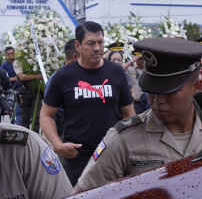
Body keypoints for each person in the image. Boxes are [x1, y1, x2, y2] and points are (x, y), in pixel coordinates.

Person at [74, 38, 202, 193]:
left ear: (196, 87)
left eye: (169, 91)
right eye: (152, 90)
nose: (158, 100)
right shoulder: (124, 139)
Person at [40, 21, 135, 187]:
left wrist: (130, 145)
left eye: (101, 42)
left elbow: (129, 114)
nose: (97, 48)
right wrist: (57, 144)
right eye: (91, 43)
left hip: (113, 153)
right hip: (77, 156)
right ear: (78, 45)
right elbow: (46, 115)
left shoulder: (116, 71)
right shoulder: (63, 76)